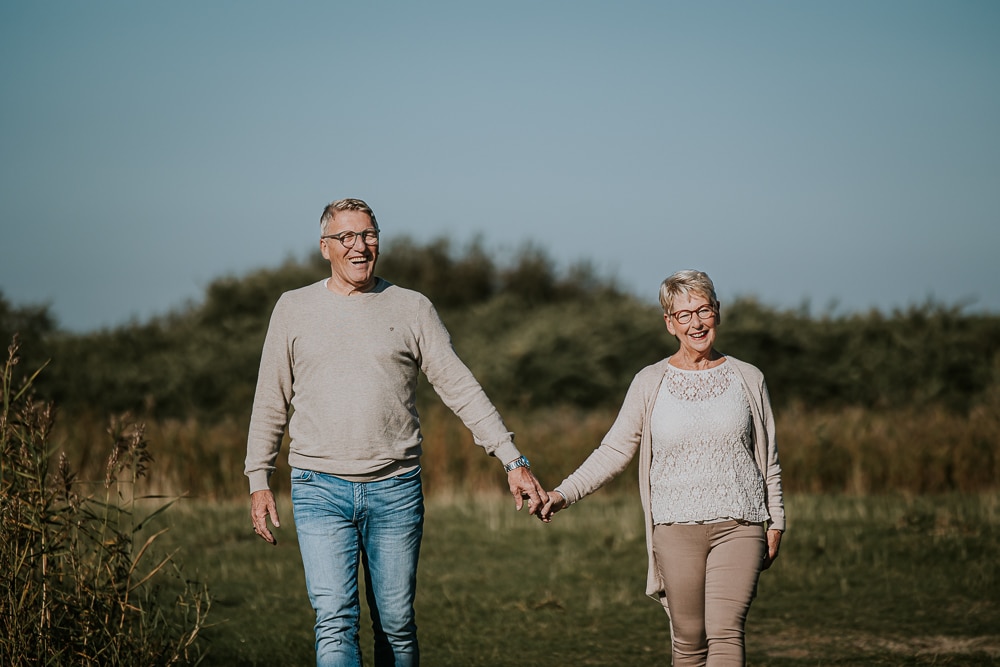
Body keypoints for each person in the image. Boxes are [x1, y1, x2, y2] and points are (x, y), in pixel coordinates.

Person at [245, 198, 548, 667]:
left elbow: (460, 387)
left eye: (368, 234)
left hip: (396, 489)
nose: (359, 246)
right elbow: (270, 399)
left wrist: (513, 459)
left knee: (397, 626)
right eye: (346, 237)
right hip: (317, 487)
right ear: (326, 247)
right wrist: (258, 479)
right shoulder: (293, 309)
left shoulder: (412, 308)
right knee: (334, 622)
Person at [541, 269, 785, 667]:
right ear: (670, 323)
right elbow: (614, 449)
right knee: (689, 640)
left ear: (717, 313)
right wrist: (562, 494)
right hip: (674, 528)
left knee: (725, 632)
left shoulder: (749, 378)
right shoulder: (649, 382)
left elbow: (768, 456)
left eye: (703, 310)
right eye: (684, 315)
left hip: (740, 524)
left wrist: (776, 521)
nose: (697, 323)